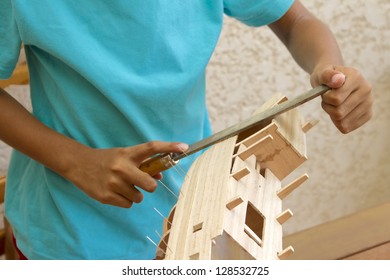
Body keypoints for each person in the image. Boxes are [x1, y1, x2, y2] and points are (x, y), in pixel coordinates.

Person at [0, 0, 372, 260]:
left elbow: (297, 21)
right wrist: (75, 162)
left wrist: (330, 68)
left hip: (195, 212)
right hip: (69, 236)